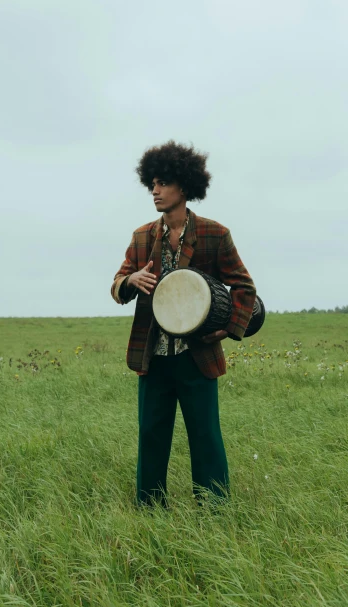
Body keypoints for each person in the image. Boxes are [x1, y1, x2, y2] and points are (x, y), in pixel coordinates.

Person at [111, 140, 256, 507]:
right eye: (152, 184)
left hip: (197, 355)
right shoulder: (142, 237)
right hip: (153, 357)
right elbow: (116, 285)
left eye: (163, 183)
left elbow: (244, 286)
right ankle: (149, 510)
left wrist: (229, 328)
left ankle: (214, 511)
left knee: (205, 435)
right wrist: (130, 282)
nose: (155, 191)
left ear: (184, 186)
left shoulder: (214, 234)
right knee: (151, 435)